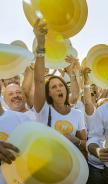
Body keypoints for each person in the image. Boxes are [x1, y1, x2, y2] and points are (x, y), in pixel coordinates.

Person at [33, 19, 87, 153]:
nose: (58, 88)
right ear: (48, 93)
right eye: (53, 87)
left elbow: (85, 143)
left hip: (71, 168)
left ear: (65, 89)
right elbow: (39, 81)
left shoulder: (77, 114)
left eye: (61, 85)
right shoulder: (43, 110)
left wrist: (73, 73)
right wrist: (41, 44)